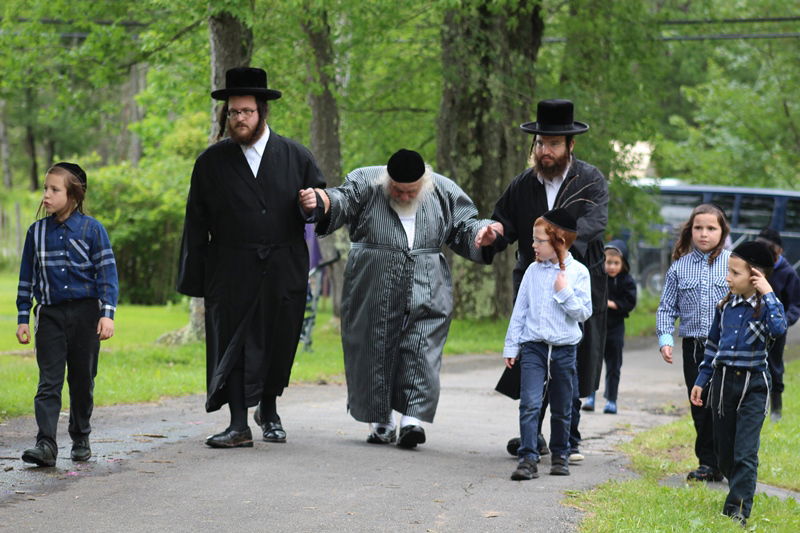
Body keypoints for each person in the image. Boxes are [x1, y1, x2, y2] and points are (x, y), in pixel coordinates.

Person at [300, 149, 492, 448]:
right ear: (387, 180)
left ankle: (412, 421)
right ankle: (381, 421)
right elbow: (341, 199)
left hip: (427, 279)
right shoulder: (367, 181)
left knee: (422, 343)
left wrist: (483, 233)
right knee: (372, 343)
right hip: (372, 278)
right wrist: (322, 202)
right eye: (397, 190)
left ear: (424, 183)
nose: (403, 197)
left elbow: (466, 225)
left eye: (411, 191)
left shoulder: (443, 189)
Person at [177, 67, 326, 448]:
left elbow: (322, 207)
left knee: (278, 340)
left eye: (245, 111)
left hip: (284, 266)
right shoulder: (211, 162)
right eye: (232, 112)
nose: (238, 119)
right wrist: (195, 278)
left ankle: (270, 411)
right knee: (234, 344)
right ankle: (238, 423)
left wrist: (314, 206)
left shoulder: (296, 156)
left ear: (262, 112)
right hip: (230, 268)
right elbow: (196, 221)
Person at [477, 99, 608, 462]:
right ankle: (531, 435)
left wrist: (556, 247)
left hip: (577, 280)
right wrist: (494, 232)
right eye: (540, 143)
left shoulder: (590, 179)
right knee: (533, 349)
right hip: (534, 280)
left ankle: (570, 437)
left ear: (570, 146)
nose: (545, 151)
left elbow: (595, 225)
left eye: (553, 144)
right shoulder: (522, 184)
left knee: (573, 355)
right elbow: (504, 220)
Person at [17, 162, 118, 467]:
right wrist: (23, 316)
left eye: (54, 190)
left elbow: (106, 274)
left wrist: (107, 314)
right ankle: (45, 444)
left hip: (87, 316)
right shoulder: (36, 233)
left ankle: (81, 434)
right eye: (45, 189)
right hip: (50, 316)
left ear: (73, 195)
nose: (46, 195)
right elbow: (27, 278)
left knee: (82, 379)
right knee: (48, 381)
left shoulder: (92, 230)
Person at [690, 241, 786, 527]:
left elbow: (780, 328)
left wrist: (768, 292)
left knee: (745, 452)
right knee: (724, 454)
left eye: (734, 273)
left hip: (753, 386)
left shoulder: (766, 307)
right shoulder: (725, 305)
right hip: (722, 384)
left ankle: (737, 511)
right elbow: (712, 346)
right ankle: (739, 485)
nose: (727, 278)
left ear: (755, 276)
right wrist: (701, 379)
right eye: (728, 272)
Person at [504, 209, 592, 480]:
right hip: (534, 346)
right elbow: (521, 309)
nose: (533, 245)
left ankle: (560, 455)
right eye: (534, 239)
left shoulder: (579, 273)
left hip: (564, 349)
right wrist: (512, 345)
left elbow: (583, 313)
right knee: (529, 403)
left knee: (563, 405)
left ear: (559, 242)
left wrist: (564, 292)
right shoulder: (532, 271)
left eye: (539, 240)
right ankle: (528, 458)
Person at [656, 203, 731, 482]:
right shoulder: (679, 267)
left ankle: (728, 461)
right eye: (698, 228)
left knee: (724, 405)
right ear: (690, 231)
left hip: (727, 348)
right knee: (700, 404)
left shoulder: (733, 264)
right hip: (694, 347)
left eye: (711, 228)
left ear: (722, 232)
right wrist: (666, 338)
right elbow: (666, 308)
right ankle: (708, 463)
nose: (704, 234)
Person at [584, 240, 637, 414]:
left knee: (614, 365)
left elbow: (630, 302)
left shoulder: (626, 281)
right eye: (608, 262)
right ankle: (590, 395)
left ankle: (611, 399)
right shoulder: (598, 279)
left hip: (615, 329)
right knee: (593, 362)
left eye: (616, 263)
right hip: (597, 327)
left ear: (623, 264)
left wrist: (612, 304)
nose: (612, 267)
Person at [756, 228, 800, 421]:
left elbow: (795, 305)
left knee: (774, 367)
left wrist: (783, 321)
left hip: (776, 331)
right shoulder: (754, 268)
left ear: (779, 251)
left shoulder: (788, 273)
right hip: (752, 327)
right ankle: (753, 407)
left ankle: (776, 409)